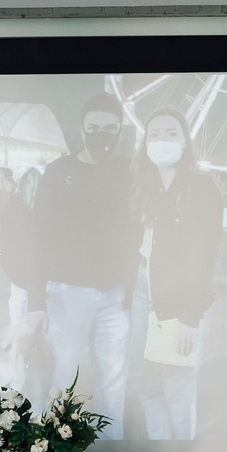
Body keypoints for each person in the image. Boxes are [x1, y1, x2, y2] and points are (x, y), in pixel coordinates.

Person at [26, 91, 138, 426]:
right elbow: (38, 237)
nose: (102, 135)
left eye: (110, 128)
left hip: (117, 297)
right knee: (63, 378)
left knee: (113, 382)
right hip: (67, 293)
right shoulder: (59, 172)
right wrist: (36, 301)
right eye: (95, 127)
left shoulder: (130, 172)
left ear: (120, 132)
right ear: (82, 129)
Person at [134, 108, 222, 442]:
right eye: (153, 134)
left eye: (171, 133)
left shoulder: (200, 188)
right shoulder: (143, 186)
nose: (161, 141)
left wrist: (191, 315)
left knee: (178, 389)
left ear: (185, 141)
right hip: (142, 293)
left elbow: (205, 257)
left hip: (181, 301)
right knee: (147, 387)